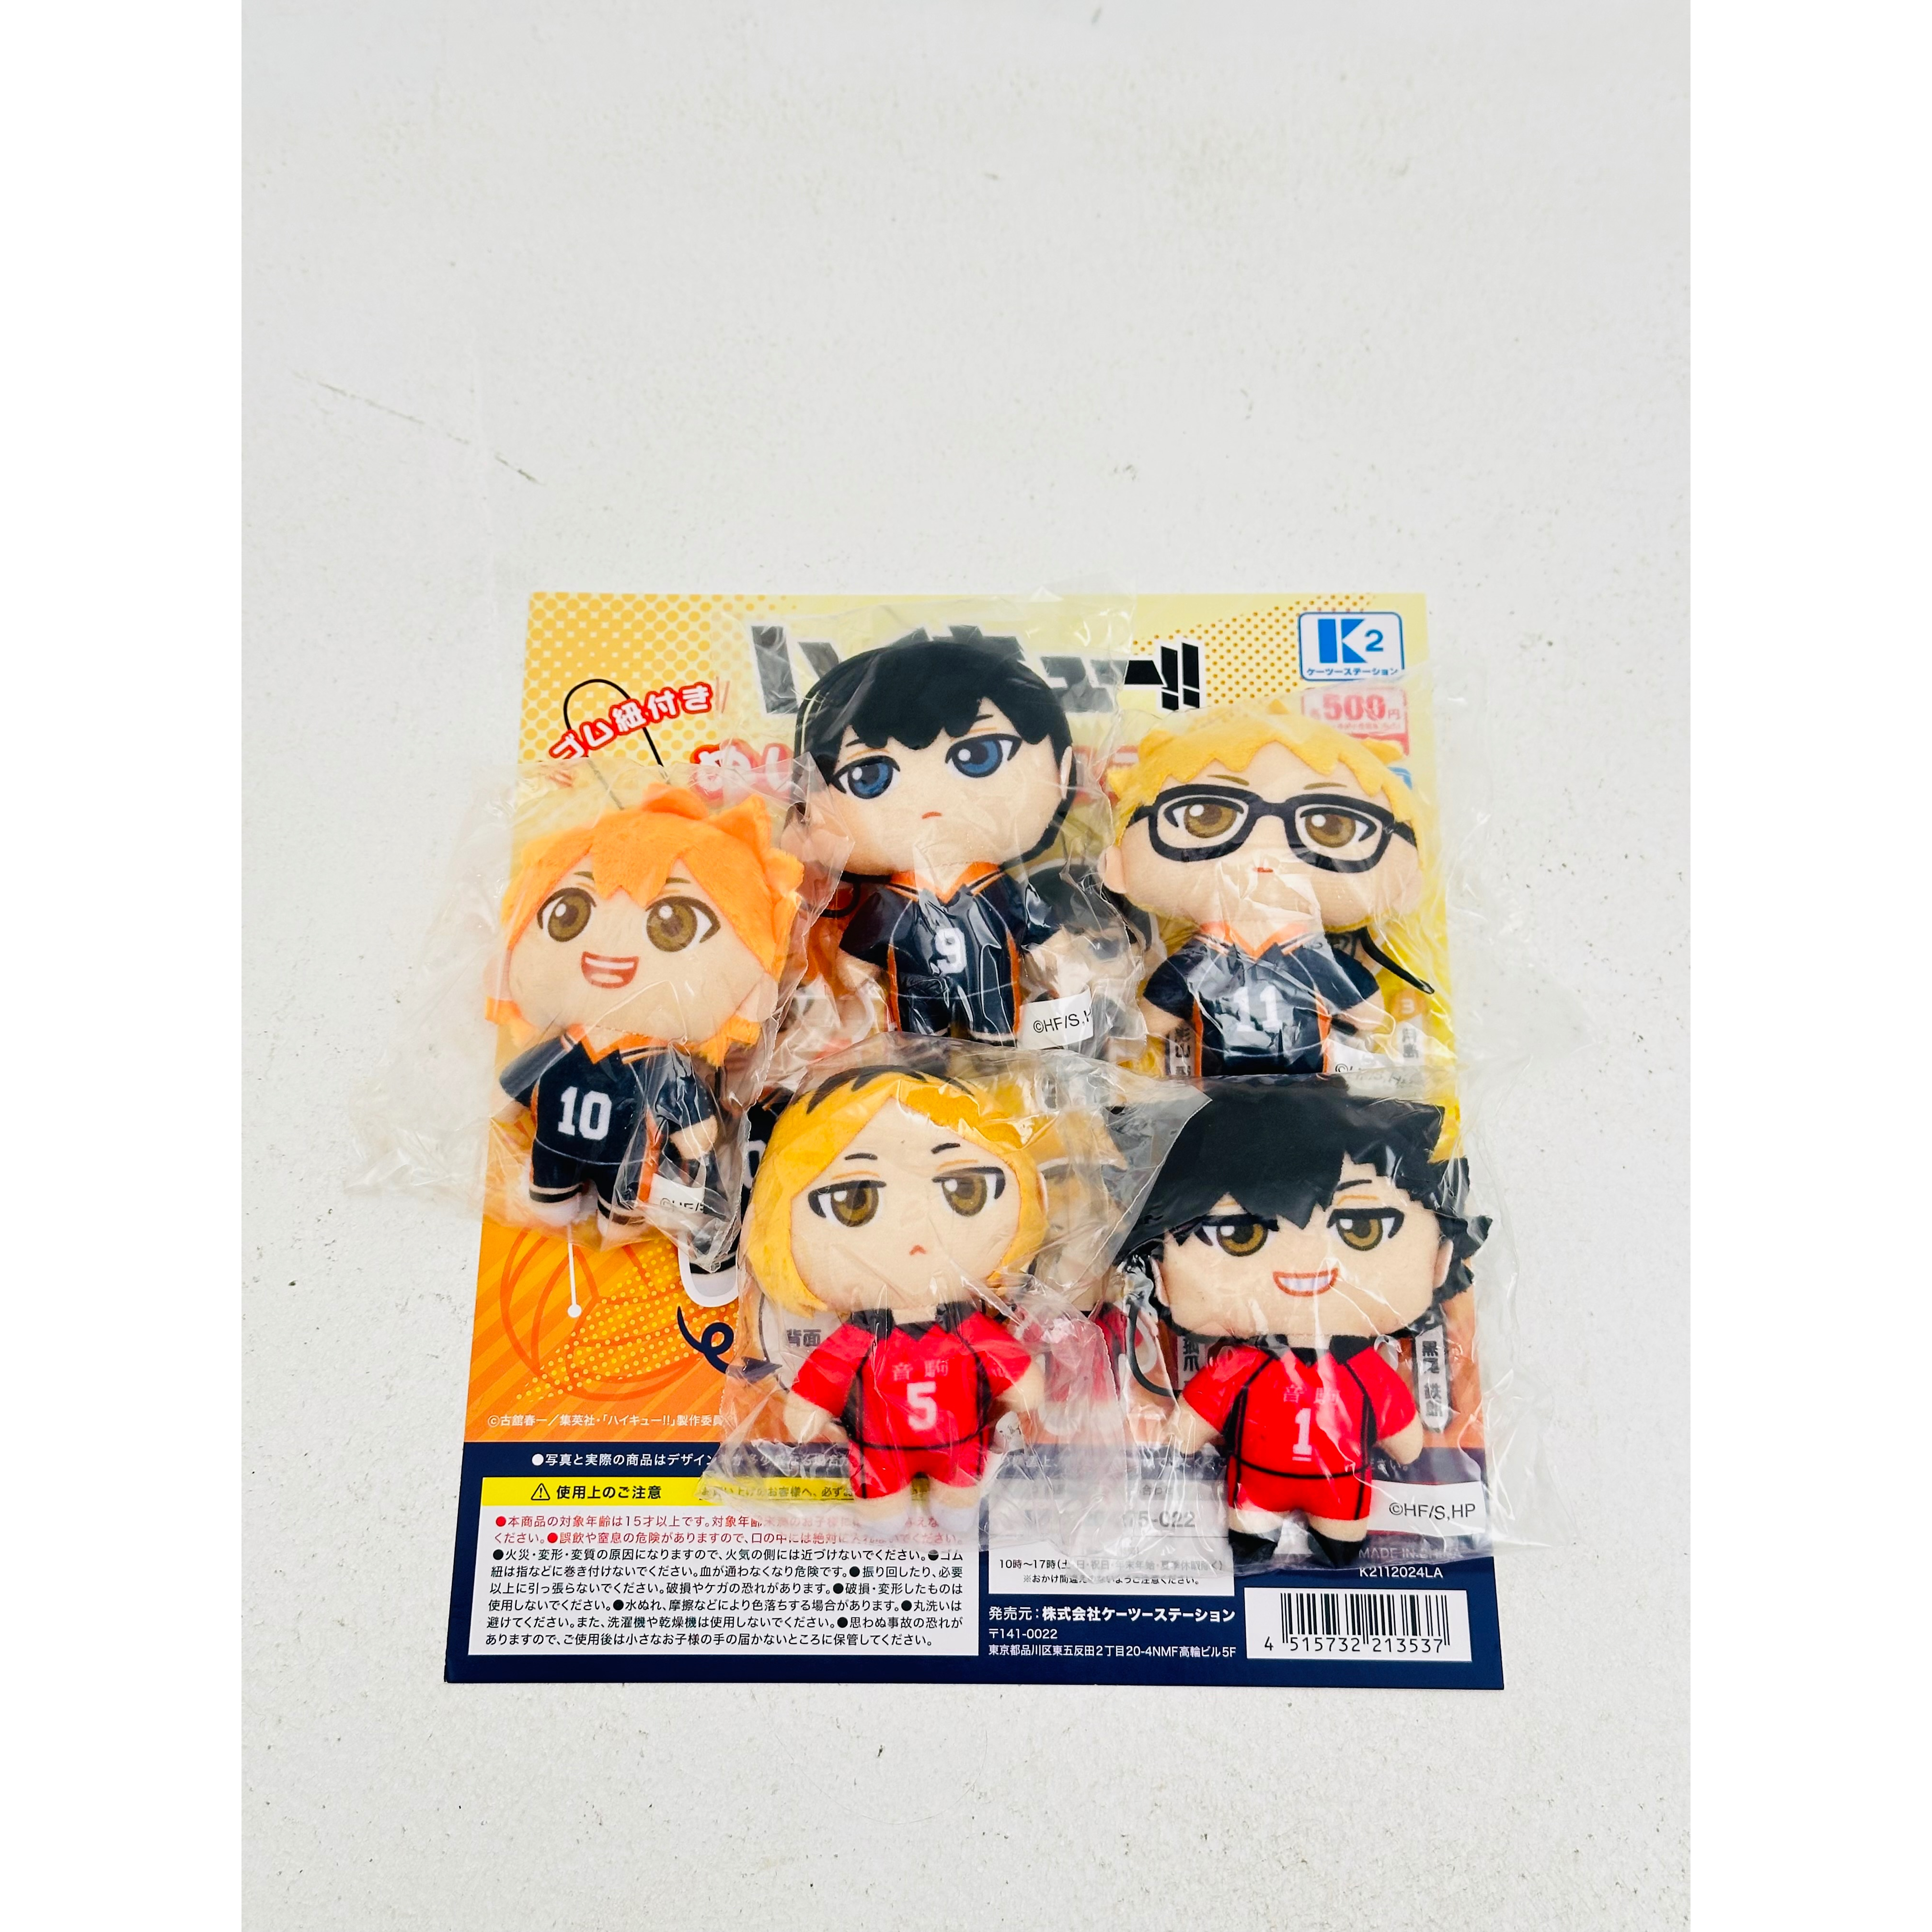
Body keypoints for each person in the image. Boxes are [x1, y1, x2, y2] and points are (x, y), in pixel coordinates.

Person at [1125, 1079, 1486, 1566]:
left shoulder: (1356, 1367)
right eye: (1239, 1235)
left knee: (1340, 1527)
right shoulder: (1251, 1364)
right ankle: (1256, 1534)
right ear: (1157, 1272)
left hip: (1341, 1484)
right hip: (1256, 1480)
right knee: (1251, 1523)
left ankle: (1334, 1537)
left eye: (1362, 1228)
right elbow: (1206, 1406)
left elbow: (1396, 1418)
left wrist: (1408, 1443)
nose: (1305, 1270)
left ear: (1441, 1259)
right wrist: (1182, 1434)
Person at [742, 1063, 1049, 1538]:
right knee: (883, 1511)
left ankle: (951, 1496)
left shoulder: (962, 1324)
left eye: (965, 1191)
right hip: (880, 1451)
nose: (913, 1227)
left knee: (956, 1498)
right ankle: (890, 1503)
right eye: (854, 1201)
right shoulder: (865, 1333)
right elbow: (826, 1377)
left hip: (959, 1444)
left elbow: (1011, 1369)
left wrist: (1023, 1384)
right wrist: (809, 1405)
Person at [488, 786, 804, 1246]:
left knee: (623, 1206)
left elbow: (695, 1126)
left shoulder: (662, 1064)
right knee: (550, 1197)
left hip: (630, 1166)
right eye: (568, 914)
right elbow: (510, 1091)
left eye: (675, 925)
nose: (607, 955)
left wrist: (696, 1138)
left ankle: (614, 1216)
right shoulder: (561, 1048)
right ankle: (557, 1200)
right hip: (552, 1149)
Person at [796, 627, 1095, 1041]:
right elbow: (856, 960)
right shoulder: (892, 901)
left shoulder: (999, 888)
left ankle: (994, 1053)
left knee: (998, 1049)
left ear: (1061, 773)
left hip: (992, 990)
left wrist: (1062, 967)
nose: (928, 799)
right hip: (915, 997)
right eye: (870, 775)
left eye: (979, 755)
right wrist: (854, 972)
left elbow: (1043, 937)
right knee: (919, 1054)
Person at [1103, 701, 1429, 1075]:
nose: (1266, 849)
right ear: (1118, 867)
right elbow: (1367, 1014)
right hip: (1221, 1087)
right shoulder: (1207, 959)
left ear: (1407, 886)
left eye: (1330, 826)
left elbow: (1367, 1013)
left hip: (1308, 1084)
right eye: (1208, 816)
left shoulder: (1307, 958)